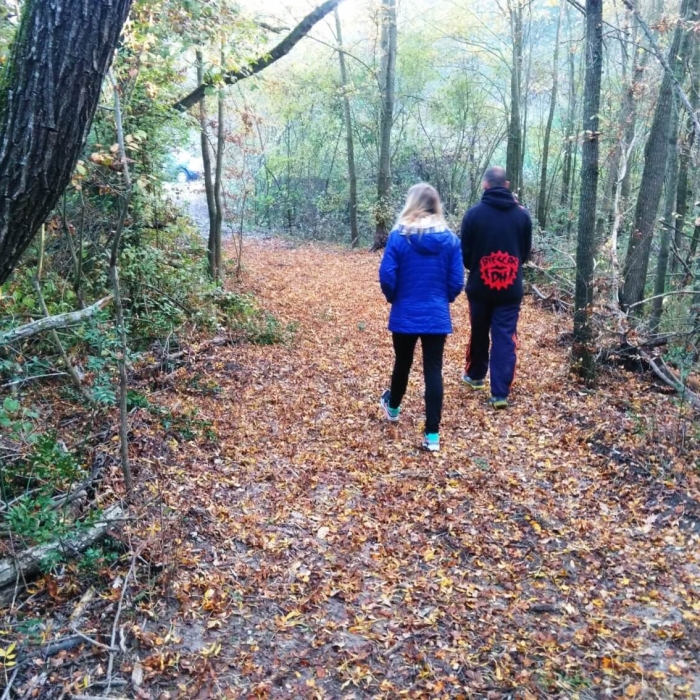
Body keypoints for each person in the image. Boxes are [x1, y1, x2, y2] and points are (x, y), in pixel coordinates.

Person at [378, 183, 464, 452]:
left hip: (405, 312)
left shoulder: (398, 237)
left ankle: (393, 408)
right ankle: (432, 436)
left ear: (411, 203)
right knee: (433, 371)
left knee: (402, 362)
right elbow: (456, 281)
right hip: (436, 315)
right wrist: (443, 300)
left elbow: (387, 276)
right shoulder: (450, 240)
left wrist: (395, 298)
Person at [460, 166, 532, 409]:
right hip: (510, 290)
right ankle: (500, 394)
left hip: (480, 288)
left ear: (485, 185)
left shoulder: (473, 215)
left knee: (479, 332)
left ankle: (476, 376)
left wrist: (479, 267)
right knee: (504, 337)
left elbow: (466, 255)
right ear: (507, 185)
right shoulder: (522, 216)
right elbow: (524, 253)